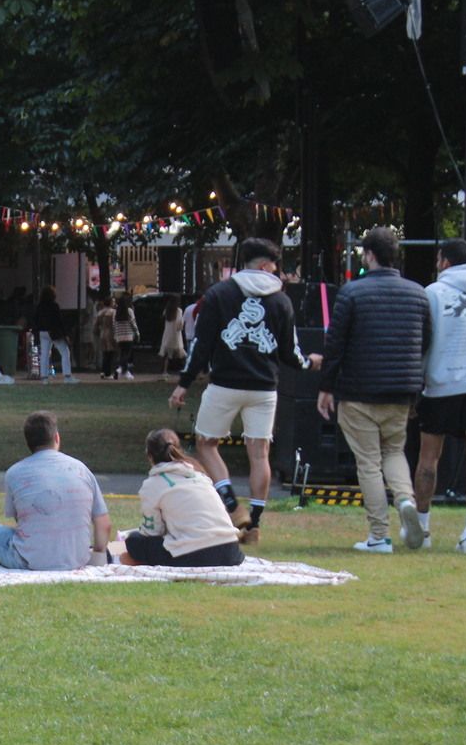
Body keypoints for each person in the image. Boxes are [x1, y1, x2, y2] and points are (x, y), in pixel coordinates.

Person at [171, 238, 321, 544]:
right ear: (266, 265)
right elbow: (290, 353)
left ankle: (230, 504)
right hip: (265, 387)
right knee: (259, 452)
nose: (278, 273)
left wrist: (184, 383)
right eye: (276, 267)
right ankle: (254, 523)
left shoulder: (219, 294)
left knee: (206, 443)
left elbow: (201, 344)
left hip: (225, 382)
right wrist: (309, 363)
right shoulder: (281, 301)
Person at [317, 226, 430, 553]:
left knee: (368, 462)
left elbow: (335, 343)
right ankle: (406, 501)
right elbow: (426, 341)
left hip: (358, 391)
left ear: (368, 255)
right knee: (394, 451)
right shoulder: (418, 293)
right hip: (401, 391)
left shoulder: (351, 293)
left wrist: (326, 386)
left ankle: (379, 535)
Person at [0, 410, 112, 570]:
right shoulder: (81, 469)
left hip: (28, 560)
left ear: (29, 443)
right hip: (76, 558)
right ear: (56, 437)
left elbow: (23, 521)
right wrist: (98, 554)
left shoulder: (15, 473)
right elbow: (104, 524)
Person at [414, 237, 466, 554]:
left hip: (440, 383)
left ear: (444, 261)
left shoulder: (433, 293)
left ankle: (423, 528)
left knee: (429, 458)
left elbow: (424, 341)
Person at [119, 428, 244, 567]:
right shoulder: (200, 475)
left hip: (196, 554)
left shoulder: (153, 484)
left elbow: (152, 532)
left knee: (134, 541)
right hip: (231, 551)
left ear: (149, 455)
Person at [33, 286, 76, 383]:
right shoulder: (54, 306)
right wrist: (65, 334)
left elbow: (36, 319)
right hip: (53, 331)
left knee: (44, 354)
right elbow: (59, 321)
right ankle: (67, 376)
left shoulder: (39, 306)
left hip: (42, 332)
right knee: (65, 352)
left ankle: (44, 378)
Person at [159, 295, 186, 380]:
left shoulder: (167, 310)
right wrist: (181, 327)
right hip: (176, 335)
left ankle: (164, 372)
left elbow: (163, 319)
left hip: (167, 334)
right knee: (181, 353)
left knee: (166, 354)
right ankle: (186, 370)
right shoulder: (179, 311)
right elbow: (180, 323)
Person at [112, 295, 138, 379]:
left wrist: (115, 335)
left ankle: (125, 371)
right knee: (127, 354)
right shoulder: (129, 311)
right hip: (128, 335)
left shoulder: (116, 312)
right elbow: (133, 323)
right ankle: (120, 369)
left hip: (119, 336)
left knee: (122, 353)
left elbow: (114, 325)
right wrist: (137, 333)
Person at [94, 295, 117, 380]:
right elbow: (114, 324)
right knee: (110, 354)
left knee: (104, 353)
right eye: (113, 302)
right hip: (111, 334)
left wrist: (96, 332)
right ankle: (108, 373)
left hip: (102, 333)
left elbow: (96, 325)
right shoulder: (113, 312)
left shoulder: (100, 312)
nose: (114, 303)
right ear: (110, 303)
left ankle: (103, 371)